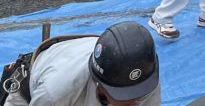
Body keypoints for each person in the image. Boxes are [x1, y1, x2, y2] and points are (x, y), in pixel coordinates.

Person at [2, 21, 160, 106]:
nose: (131, 102)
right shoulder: (56, 92)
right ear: (97, 82)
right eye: (121, 97)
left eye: (135, 95)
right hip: (29, 93)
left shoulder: (145, 78)